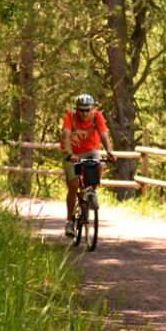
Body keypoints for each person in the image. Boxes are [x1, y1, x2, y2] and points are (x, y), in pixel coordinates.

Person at [61, 94, 117, 236]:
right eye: (82, 110)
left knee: (99, 161)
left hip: (90, 151)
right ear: (77, 110)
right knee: (74, 185)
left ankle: (92, 192)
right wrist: (69, 154)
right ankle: (69, 221)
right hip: (72, 154)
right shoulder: (70, 117)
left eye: (87, 110)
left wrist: (109, 152)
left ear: (92, 109)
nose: (85, 113)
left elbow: (104, 136)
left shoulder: (97, 117)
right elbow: (66, 136)